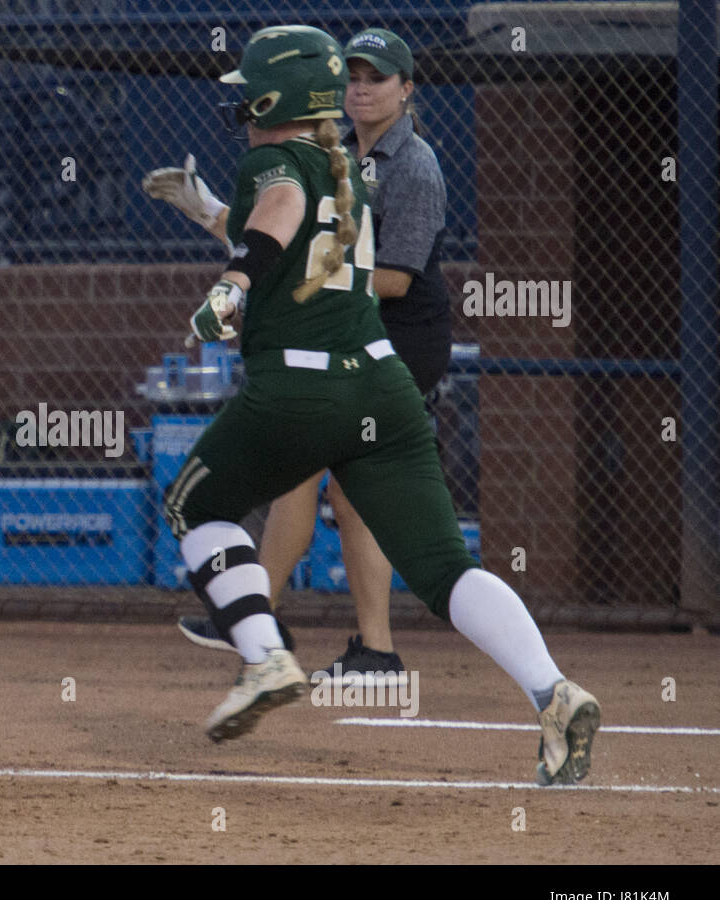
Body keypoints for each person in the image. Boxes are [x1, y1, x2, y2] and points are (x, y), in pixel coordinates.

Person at [152, 24, 600, 786]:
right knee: (443, 567)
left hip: (303, 383)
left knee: (194, 506)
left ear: (276, 98)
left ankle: (263, 657)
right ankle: (552, 690)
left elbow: (279, 212)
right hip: (382, 383)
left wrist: (232, 284)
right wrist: (210, 213)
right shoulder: (348, 166)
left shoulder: (280, 160)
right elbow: (293, 223)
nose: (243, 114)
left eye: (250, 98)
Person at [152, 27, 455, 687]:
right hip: (336, 334)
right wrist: (206, 209)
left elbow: (395, 275)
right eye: (355, 75)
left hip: (395, 337)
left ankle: (371, 649)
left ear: (407, 90)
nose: (363, 88)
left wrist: (295, 278)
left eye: (379, 78)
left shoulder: (416, 163)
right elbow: (277, 223)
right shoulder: (331, 149)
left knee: (349, 492)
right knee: (293, 476)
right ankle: (263, 619)